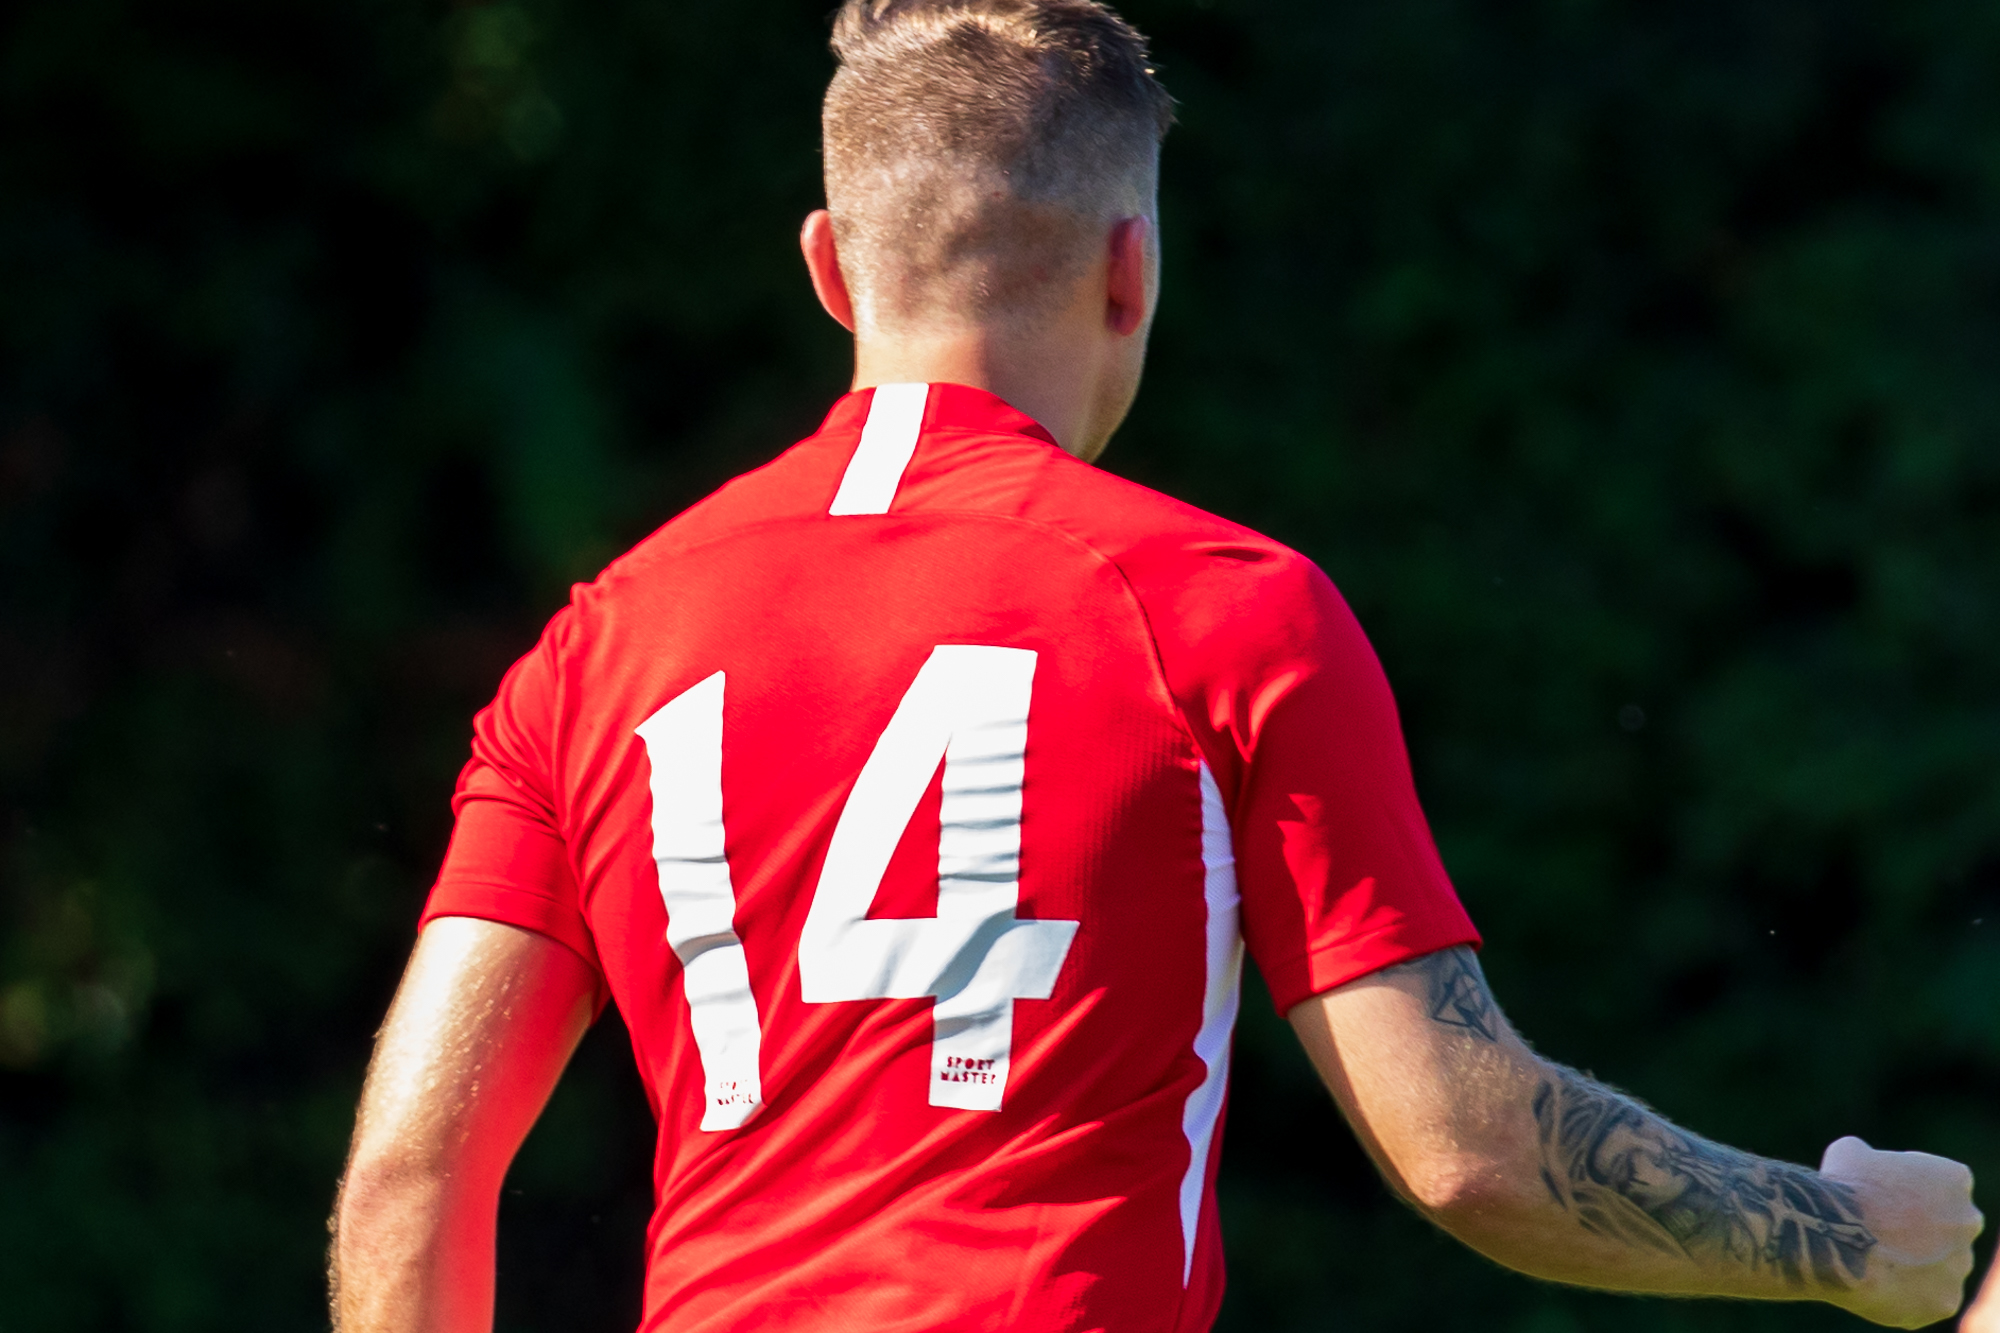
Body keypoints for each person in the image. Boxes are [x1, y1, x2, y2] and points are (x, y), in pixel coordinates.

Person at [327, 2, 1983, 1330]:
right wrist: (1847, 1232)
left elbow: (414, 1172)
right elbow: (1466, 1146)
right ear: (1132, 266)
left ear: (829, 267)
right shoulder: (1222, 606)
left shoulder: (596, 640)